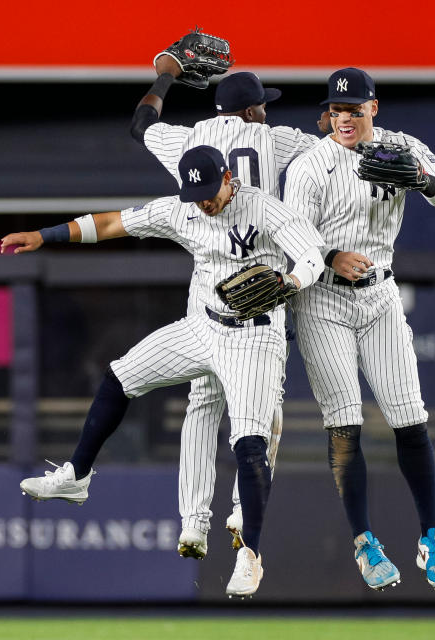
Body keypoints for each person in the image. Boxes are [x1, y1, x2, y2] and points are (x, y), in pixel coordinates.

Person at [2, 145, 325, 598]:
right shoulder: (183, 209)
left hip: (254, 337)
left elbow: (312, 253)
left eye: (210, 190)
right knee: (120, 376)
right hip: (203, 326)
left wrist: (292, 280)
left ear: (228, 176)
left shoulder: (264, 209)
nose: (204, 200)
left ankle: (249, 556)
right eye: (195, 193)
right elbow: (113, 223)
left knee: (249, 444)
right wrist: (44, 235)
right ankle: (76, 476)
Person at [130, 58, 325, 558]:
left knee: (202, 403)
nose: (265, 113)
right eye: (263, 106)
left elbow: (142, 124)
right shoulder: (275, 139)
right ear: (253, 112)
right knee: (260, 411)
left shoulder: (191, 140)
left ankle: (193, 522)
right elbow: (327, 153)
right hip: (257, 275)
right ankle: (242, 506)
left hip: (206, 282)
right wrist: (329, 124)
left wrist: (168, 73)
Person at [283, 68, 435, 591]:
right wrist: (332, 254)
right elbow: (293, 238)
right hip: (323, 300)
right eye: (337, 111)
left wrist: (424, 181)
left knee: (409, 417)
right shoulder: (312, 165)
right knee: (345, 423)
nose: (345, 119)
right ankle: (365, 542)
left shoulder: (400, 146)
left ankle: (433, 537)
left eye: (354, 110)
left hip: (381, 294)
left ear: (373, 108)